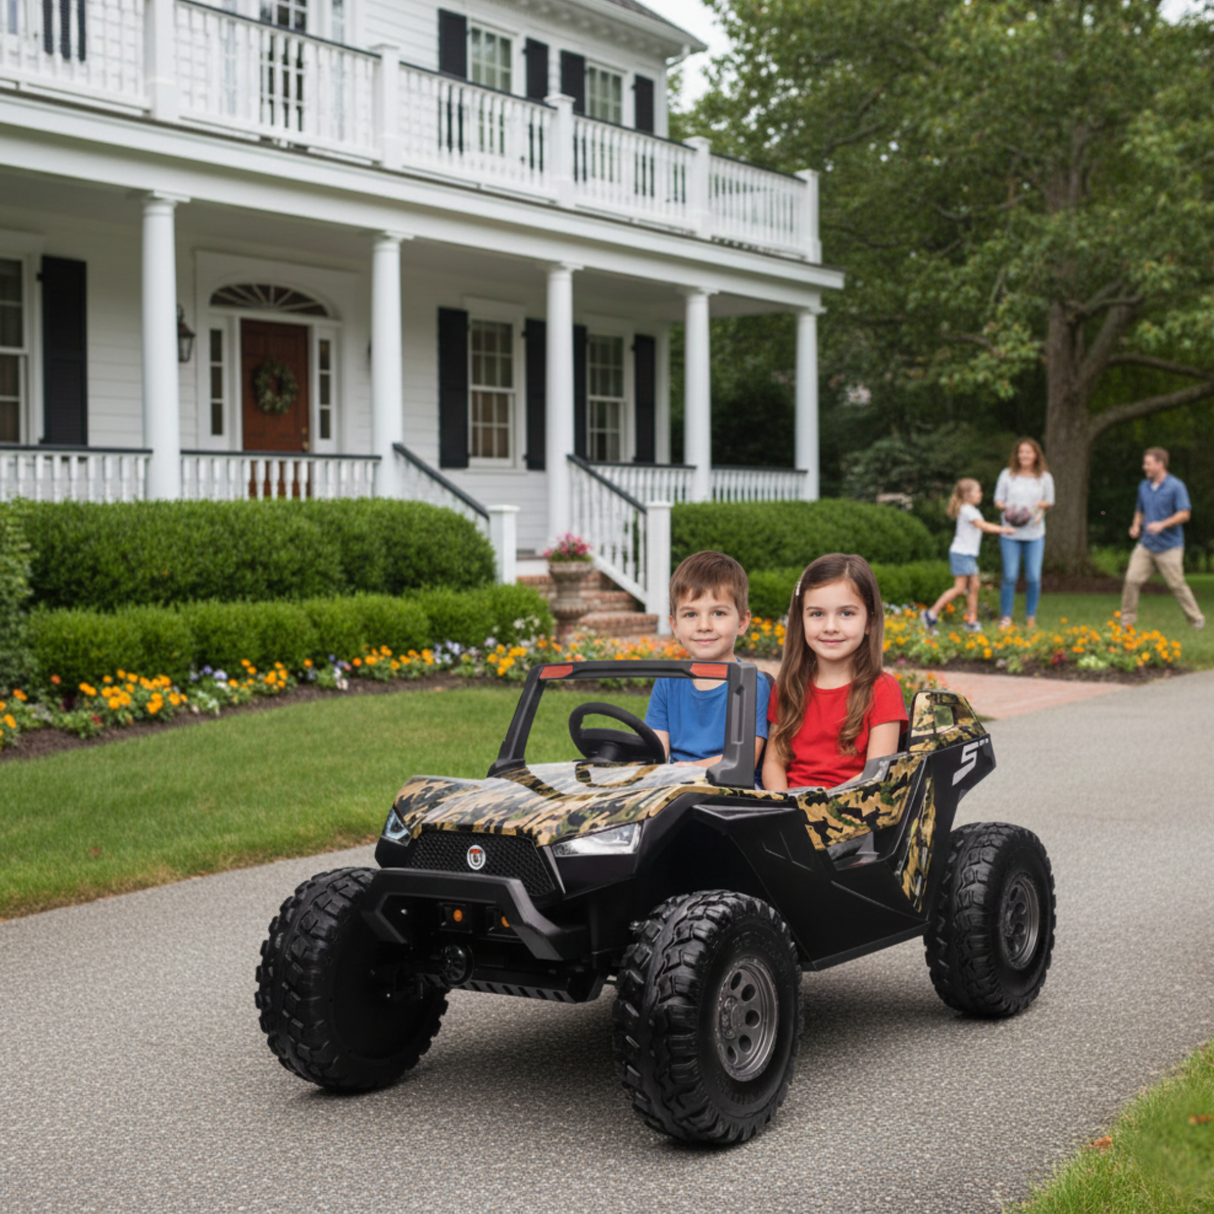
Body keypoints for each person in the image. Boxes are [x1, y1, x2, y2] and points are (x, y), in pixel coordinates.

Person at [763, 553, 908, 792]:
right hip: (789, 806)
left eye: (846, 613)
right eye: (817, 614)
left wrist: (819, 807)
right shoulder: (788, 685)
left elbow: (875, 776)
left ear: (870, 622)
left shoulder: (883, 689)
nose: (830, 627)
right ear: (801, 620)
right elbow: (773, 763)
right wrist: (783, 804)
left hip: (852, 808)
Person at [645, 551, 771, 768]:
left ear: (742, 622)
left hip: (733, 784)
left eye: (718, 613)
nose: (704, 626)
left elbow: (744, 760)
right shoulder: (667, 682)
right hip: (676, 781)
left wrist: (691, 770)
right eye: (690, 615)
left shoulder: (751, 684)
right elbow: (656, 751)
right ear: (675, 626)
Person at [1121, 447, 1206, 631]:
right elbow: (1140, 510)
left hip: (1170, 546)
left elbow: (1184, 514)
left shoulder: (1176, 486)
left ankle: (1196, 619)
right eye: (1145, 463)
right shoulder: (1143, 487)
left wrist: (1162, 524)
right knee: (1132, 579)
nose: (1144, 467)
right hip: (1146, 545)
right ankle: (1127, 621)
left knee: (1176, 584)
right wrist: (1136, 526)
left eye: (1148, 464)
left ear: (1160, 464)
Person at [920, 479, 1015, 635]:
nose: (981, 494)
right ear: (966, 494)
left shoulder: (971, 510)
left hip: (966, 554)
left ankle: (971, 621)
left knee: (974, 586)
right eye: (978, 491)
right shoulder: (967, 510)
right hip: (962, 554)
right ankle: (931, 614)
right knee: (959, 588)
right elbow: (983, 526)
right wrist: (1005, 530)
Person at [994, 437, 1056, 631]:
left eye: (1028, 452)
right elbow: (998, 500)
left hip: (1034, 535)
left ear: (1035, 455)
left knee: (1034, 577)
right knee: (1010, 576)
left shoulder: (1045, 477)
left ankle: (1030, 617)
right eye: (1021, 452)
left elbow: (1050, 501)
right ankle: (1006, 617)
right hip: (1010, 533)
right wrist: (1009, 509)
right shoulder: (1007, 475)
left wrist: (1040, 506)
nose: (1024, 455)